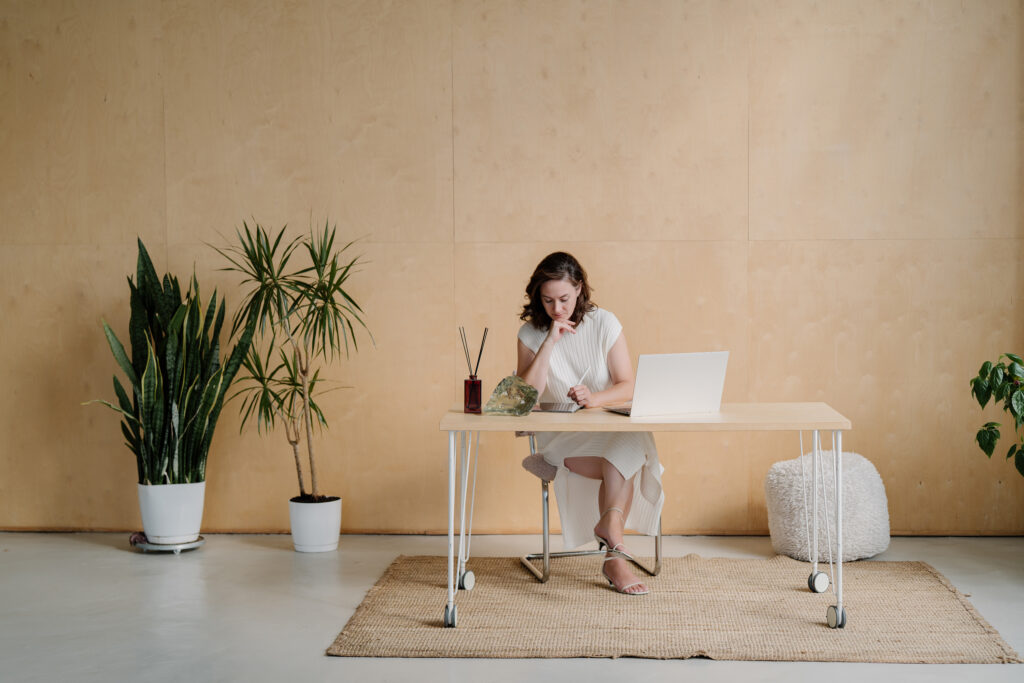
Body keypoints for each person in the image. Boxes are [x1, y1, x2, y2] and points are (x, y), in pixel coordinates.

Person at [516, 252, 664, 595]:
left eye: (565, 299)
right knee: (633, 450)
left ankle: (612, 539)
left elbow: (627, 384)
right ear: (538, 296)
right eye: (548, 300)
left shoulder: (605, 323)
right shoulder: (530, 333)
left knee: (631, 441)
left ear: (579, 289)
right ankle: (613, 547)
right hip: (562, 441)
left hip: (609, 432)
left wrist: (594, 399)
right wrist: (550, 341)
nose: (557, 309)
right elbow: (526, 396)